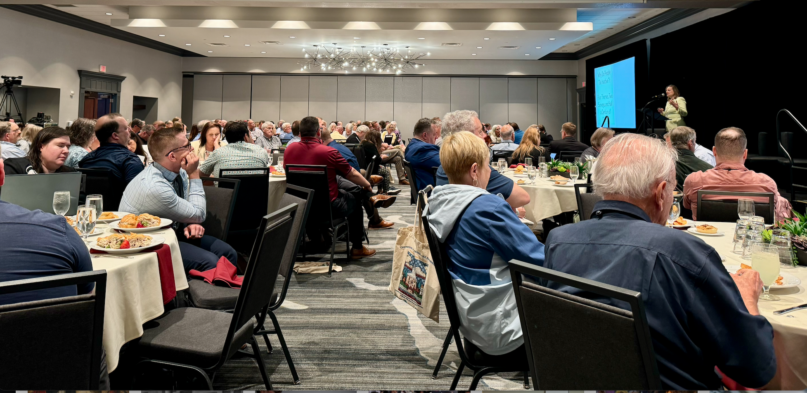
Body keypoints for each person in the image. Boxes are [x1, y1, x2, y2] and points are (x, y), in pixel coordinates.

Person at [543, 133, 777, 390]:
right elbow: (756, 368)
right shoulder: (683, 253)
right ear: (661, 192)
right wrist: (748, 301)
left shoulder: (557, 241)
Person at [0, 143, 110, 389]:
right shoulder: (57, 228)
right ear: (2, 175)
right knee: (93, 344)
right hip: (55, 360)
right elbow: (85, 291)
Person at [427, 131, 545, 358]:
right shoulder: (486, 208)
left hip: (473, 316)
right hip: (505, 328)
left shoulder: (439, 201)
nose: (490, 171)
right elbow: (539, 262)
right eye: (487, 166)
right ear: (474, 170)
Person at [119, 127, 238, 274]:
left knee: (228, 252)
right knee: (210, 262)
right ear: (172, 156)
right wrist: (194, 175)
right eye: (187, 146)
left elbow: (190, 207)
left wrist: (190, 221)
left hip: (172, 232)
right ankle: (190, 295)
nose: (191, 150)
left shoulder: (178, 170)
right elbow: (199, 213)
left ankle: (224, 295)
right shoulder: (155, 186)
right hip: (145, 244)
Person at [284, 116, 380, 258]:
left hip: (302, 206)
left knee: (340, 184)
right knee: (354, 199)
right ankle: (358, 248)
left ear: (299, 133)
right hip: (328, 207)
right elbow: (352, 174)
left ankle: (318, 239)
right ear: (318, 132)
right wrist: (367, 184)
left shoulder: (289, 150)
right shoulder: (328, 152)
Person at [684, 127, 792, 222]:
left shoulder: (694, 180)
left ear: (714, 151)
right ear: (745, 154)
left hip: (706, 242)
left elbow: (686, 206)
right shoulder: (767, 183)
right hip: (751, 243)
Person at [436, 110, 530, 213]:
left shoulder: (443, 168)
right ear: (466, 138)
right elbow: (523, 198)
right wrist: (511, 209)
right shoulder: (476, 170)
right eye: (480, 131)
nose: (484, 136)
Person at [78, 114, 144, 185]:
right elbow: (137, 193)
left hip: (91, 196)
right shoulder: (130, 160)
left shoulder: (86, 159)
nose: (130, 130)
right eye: (126, 128)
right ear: (115, 136)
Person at [199, 121, 269, 178]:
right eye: (250, 134)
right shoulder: (261, 152)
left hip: (226, 194)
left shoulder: (218, 152)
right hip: (255, 194)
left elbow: (201, 174)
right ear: (245, 137)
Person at [3, 127, 77, 174]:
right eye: (61, 146)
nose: (66, 151)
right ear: (40, 146)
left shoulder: (70, 173)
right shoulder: (15, 167)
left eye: (68, 147)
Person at [404, 118, 441, 189]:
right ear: (425, 135)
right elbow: (447, 165)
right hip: (432, 194)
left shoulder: (411, 146)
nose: (436, 137)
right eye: (434, 135)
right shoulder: (424, 150)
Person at [362, 129, 395, 195]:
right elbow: (377, 159)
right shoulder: (371, 145)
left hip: (366, 166)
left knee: (384, 167)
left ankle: (380, 190)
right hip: (371, 168)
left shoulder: (363, 143)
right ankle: (385, 191)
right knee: (385, 171)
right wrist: (381, 157)